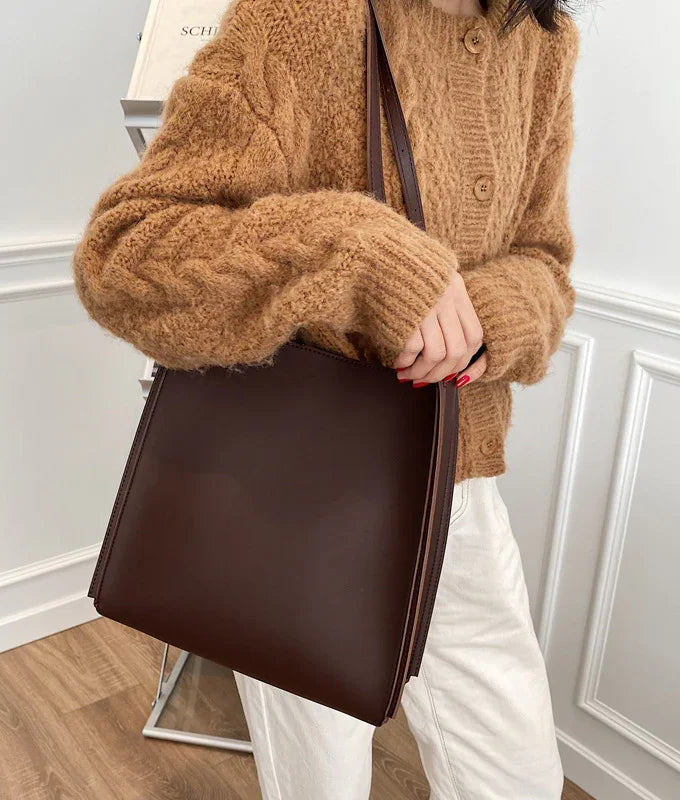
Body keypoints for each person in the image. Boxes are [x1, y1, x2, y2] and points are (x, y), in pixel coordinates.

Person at [73, 0, 579, 796]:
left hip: (462, 489)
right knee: (320, 780)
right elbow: (126, 257)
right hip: (300, 497)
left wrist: (496, 311)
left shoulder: (542, 40)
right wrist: (352, 252)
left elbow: (546, 257)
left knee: (517, 771)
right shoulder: (304, 16)